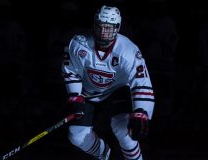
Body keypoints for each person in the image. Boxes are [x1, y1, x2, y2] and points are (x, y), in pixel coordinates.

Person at [62, 5, 155, 160]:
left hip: (117, 92)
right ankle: (105, 155)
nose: (104, 33)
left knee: (124, 130)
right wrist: (74, 95)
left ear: (117, 28)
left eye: (109, 28)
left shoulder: (129, 51)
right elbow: (71, 70)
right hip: (88, 94)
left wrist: (141, 112)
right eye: (100, 27)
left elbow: (141, 83)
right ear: (94, 25)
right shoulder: (78, 44)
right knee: (76, 136)